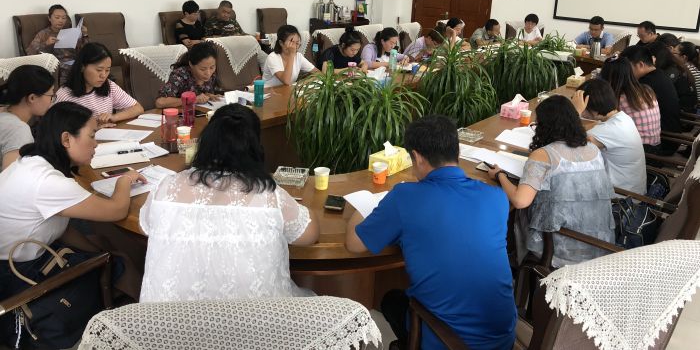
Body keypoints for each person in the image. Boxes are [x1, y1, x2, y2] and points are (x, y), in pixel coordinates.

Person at [346, 115, 516, 350]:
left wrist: (361, 205)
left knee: (391, 299)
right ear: (457, 151)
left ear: (417, 157)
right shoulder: (496, 197)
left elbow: (354, 244)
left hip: (450, 342)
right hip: (503, 338)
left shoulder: (405, 197)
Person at [139, 104, 319, 302]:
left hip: (163, 318)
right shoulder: (269, 195)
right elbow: (308, 235)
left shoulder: (167, 187)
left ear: (206, 142)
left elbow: (147, 226)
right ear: (255, 148)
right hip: (257, 318)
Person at [0, 102, 146, 346]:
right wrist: (125, 180)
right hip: (18, 275)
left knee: (105, 246)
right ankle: (132, 326)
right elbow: (116, 210)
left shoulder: (29, 162)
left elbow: (61, 227)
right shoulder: (49, 182)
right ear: (66, 139)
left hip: (16, 257)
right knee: (123, 262)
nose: (96, 144)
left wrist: (98, 250)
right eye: (92, 135)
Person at [487, 95, 615, 268]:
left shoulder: (544, 154)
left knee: (515, 212)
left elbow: (520, 201)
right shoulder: (593, 149)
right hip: (600, 241)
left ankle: (513, 261)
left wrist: (499, 175)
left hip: (561, 245)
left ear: (545, 127)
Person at [572, 79, 646, 195]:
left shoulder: (606, 131)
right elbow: (594, 129)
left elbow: (570, 145)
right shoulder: (623, 118)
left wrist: (575, 112)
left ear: (593, 107)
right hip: (633, 190)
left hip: (620, 198)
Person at [55, 43, 144, 127]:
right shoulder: (64, 95)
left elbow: (138, 108)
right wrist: (94, 129)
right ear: (82, 67)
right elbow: (57, 130)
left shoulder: (109, 86)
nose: (103, 75)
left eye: (107, 70)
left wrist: (114, 117)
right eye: (99, 70)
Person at [621, 45, 681, 155]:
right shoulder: (660, 74)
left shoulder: (646, 83)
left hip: (663, 141)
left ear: (640, 65)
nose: (625, 72)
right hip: (670, 135)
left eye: (627, 68)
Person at [599, 56, 661, 148]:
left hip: (639, 148)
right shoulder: (647, 90)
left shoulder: (619, 98)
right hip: (655, 144)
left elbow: (603, 121)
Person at [0, 65, 55, 170]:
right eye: (51, 96)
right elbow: (12, 176)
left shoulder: (3, 110)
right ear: (32, 98)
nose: (52, 101)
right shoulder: (18, 130)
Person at [27, 4, 89, 84]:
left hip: (74, 61)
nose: (61, 20)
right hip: (57, 65)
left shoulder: (70, 32)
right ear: (49, 18)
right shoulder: (43, 34)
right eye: (57, 17)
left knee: (90, 66)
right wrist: (46, 43)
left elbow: (85, 49)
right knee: (75, 71)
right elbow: (30, 52)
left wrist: (85, 35)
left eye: (63, 18)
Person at [156, 41, 221, 108]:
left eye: (212, 67)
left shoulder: (212, 74)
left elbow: (201, 93)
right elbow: (160, 102)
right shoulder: (180, 75)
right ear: (191, 64)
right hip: (180, 112)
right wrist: (192, 99)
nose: (208, 73)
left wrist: (208, 96)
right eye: (203, 69)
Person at [647, 41, 697, 114]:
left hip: (684, 115)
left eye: (674, 53)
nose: (671, 54)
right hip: (687, 110)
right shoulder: (680, 67)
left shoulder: (673, 71)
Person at [678, 41, 700, 108]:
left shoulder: (685, 70)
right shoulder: (694, 67)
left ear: (684, 57)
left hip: (695, 107)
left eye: (675, 53)